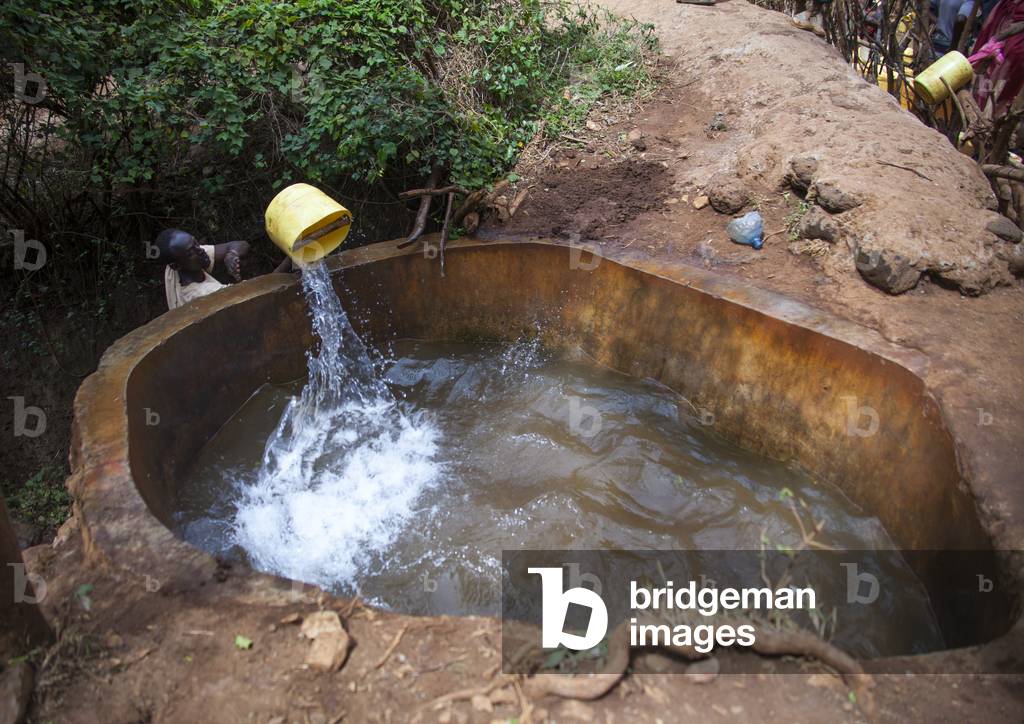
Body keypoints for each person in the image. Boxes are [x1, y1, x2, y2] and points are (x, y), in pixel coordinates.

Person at [155, 228, 251, 311]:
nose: (201, 250)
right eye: (191, 253)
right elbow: (250, 294)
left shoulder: (176, 265)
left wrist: (232, 253)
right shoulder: (204, 295)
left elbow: (243, 245)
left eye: (196, 243)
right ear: (176, 266)